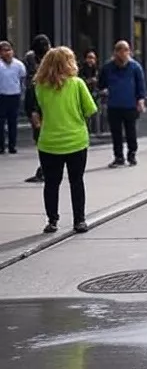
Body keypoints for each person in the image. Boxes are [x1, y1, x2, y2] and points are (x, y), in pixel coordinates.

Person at [31, 46, 98, 234]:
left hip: (49, 142)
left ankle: (52, 221)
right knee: (76, 181)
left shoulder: (40, 86)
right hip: (76, 140)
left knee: (51, 183)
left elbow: (38, 109)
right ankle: (79, 221)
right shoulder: (77, 84)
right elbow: (90, 109)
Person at [98, 41, 147, 167]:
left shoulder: (135, 67)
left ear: (129, 52)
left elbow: (141, 85)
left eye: (125, 52)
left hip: (130, 105)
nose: (122, 55)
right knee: (116, 133)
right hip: (114, 104)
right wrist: (103, 90)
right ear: (115, 53)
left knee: (131, 131)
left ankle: (132, 155)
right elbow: (101, 84)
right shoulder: (108, 67)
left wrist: (141, 100)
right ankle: (119, 157)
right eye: (119, 52)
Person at [23, 34, 51, 182]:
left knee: (42, 136)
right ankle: (45, 168)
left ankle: (45, 168)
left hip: (41, 99)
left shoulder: (49, 59)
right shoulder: (32, 58)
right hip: (36, 98)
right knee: (40, 135)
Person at [0, 40, 27, 154]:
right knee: (1, 122)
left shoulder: (18, 65)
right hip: (1, 95)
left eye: (9, 50)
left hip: (14, 95)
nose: (7, 53)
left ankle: (12, 145)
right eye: (4, 50)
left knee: (13, 122)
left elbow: (22, 78)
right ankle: (1, 146)